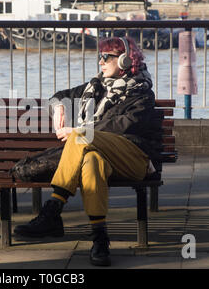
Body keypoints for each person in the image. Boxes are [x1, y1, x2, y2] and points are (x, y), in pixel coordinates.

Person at [14, 36, 161, 267]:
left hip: (134, 159)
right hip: (102, 158)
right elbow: (57, 96)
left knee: (81, 136)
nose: (100, 62)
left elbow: (124, 126)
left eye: (106, 57)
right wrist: (59, 106)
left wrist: (80, 131)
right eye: (99, 56)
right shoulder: (95, 87)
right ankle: (100, 239)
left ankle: (52, 211)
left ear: (124, 60)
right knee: (91, 161)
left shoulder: (141, 93)